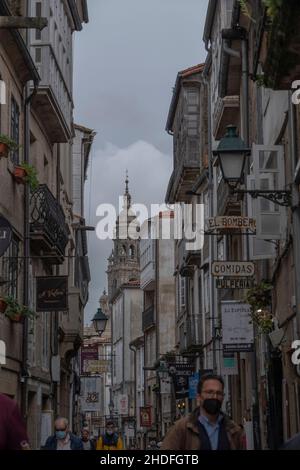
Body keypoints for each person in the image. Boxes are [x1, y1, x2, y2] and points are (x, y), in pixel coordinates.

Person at [162, 373, 245, 450]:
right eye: (210, 392)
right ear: (199, 397)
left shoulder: (234, 430)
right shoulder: (182, 429)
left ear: (223, 397)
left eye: (219, 393)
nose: (214, 397)